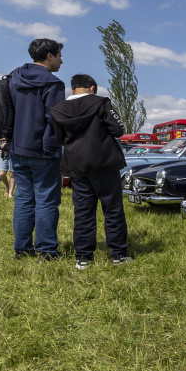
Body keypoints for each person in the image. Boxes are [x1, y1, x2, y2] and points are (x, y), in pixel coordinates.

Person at [50, 74, 130, 269]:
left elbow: (59, 137)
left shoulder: (58, 109)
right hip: (105, 163)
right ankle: (118, 254)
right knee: (112, 209)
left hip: (76, 164)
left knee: (83, 211)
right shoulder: (101, 103)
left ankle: (83, 257)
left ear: (72, 89)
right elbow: (118, 129)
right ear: (92, 88)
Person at [9, 38, 66, 261]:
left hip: (18, 147)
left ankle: (22, 249)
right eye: (59, 55)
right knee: (46, 200)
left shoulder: (14, 77)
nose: (61, 60)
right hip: (44, 150)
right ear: (49, 56)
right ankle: (47, 251)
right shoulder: (53, 83)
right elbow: (55, 118)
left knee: (23, 199)